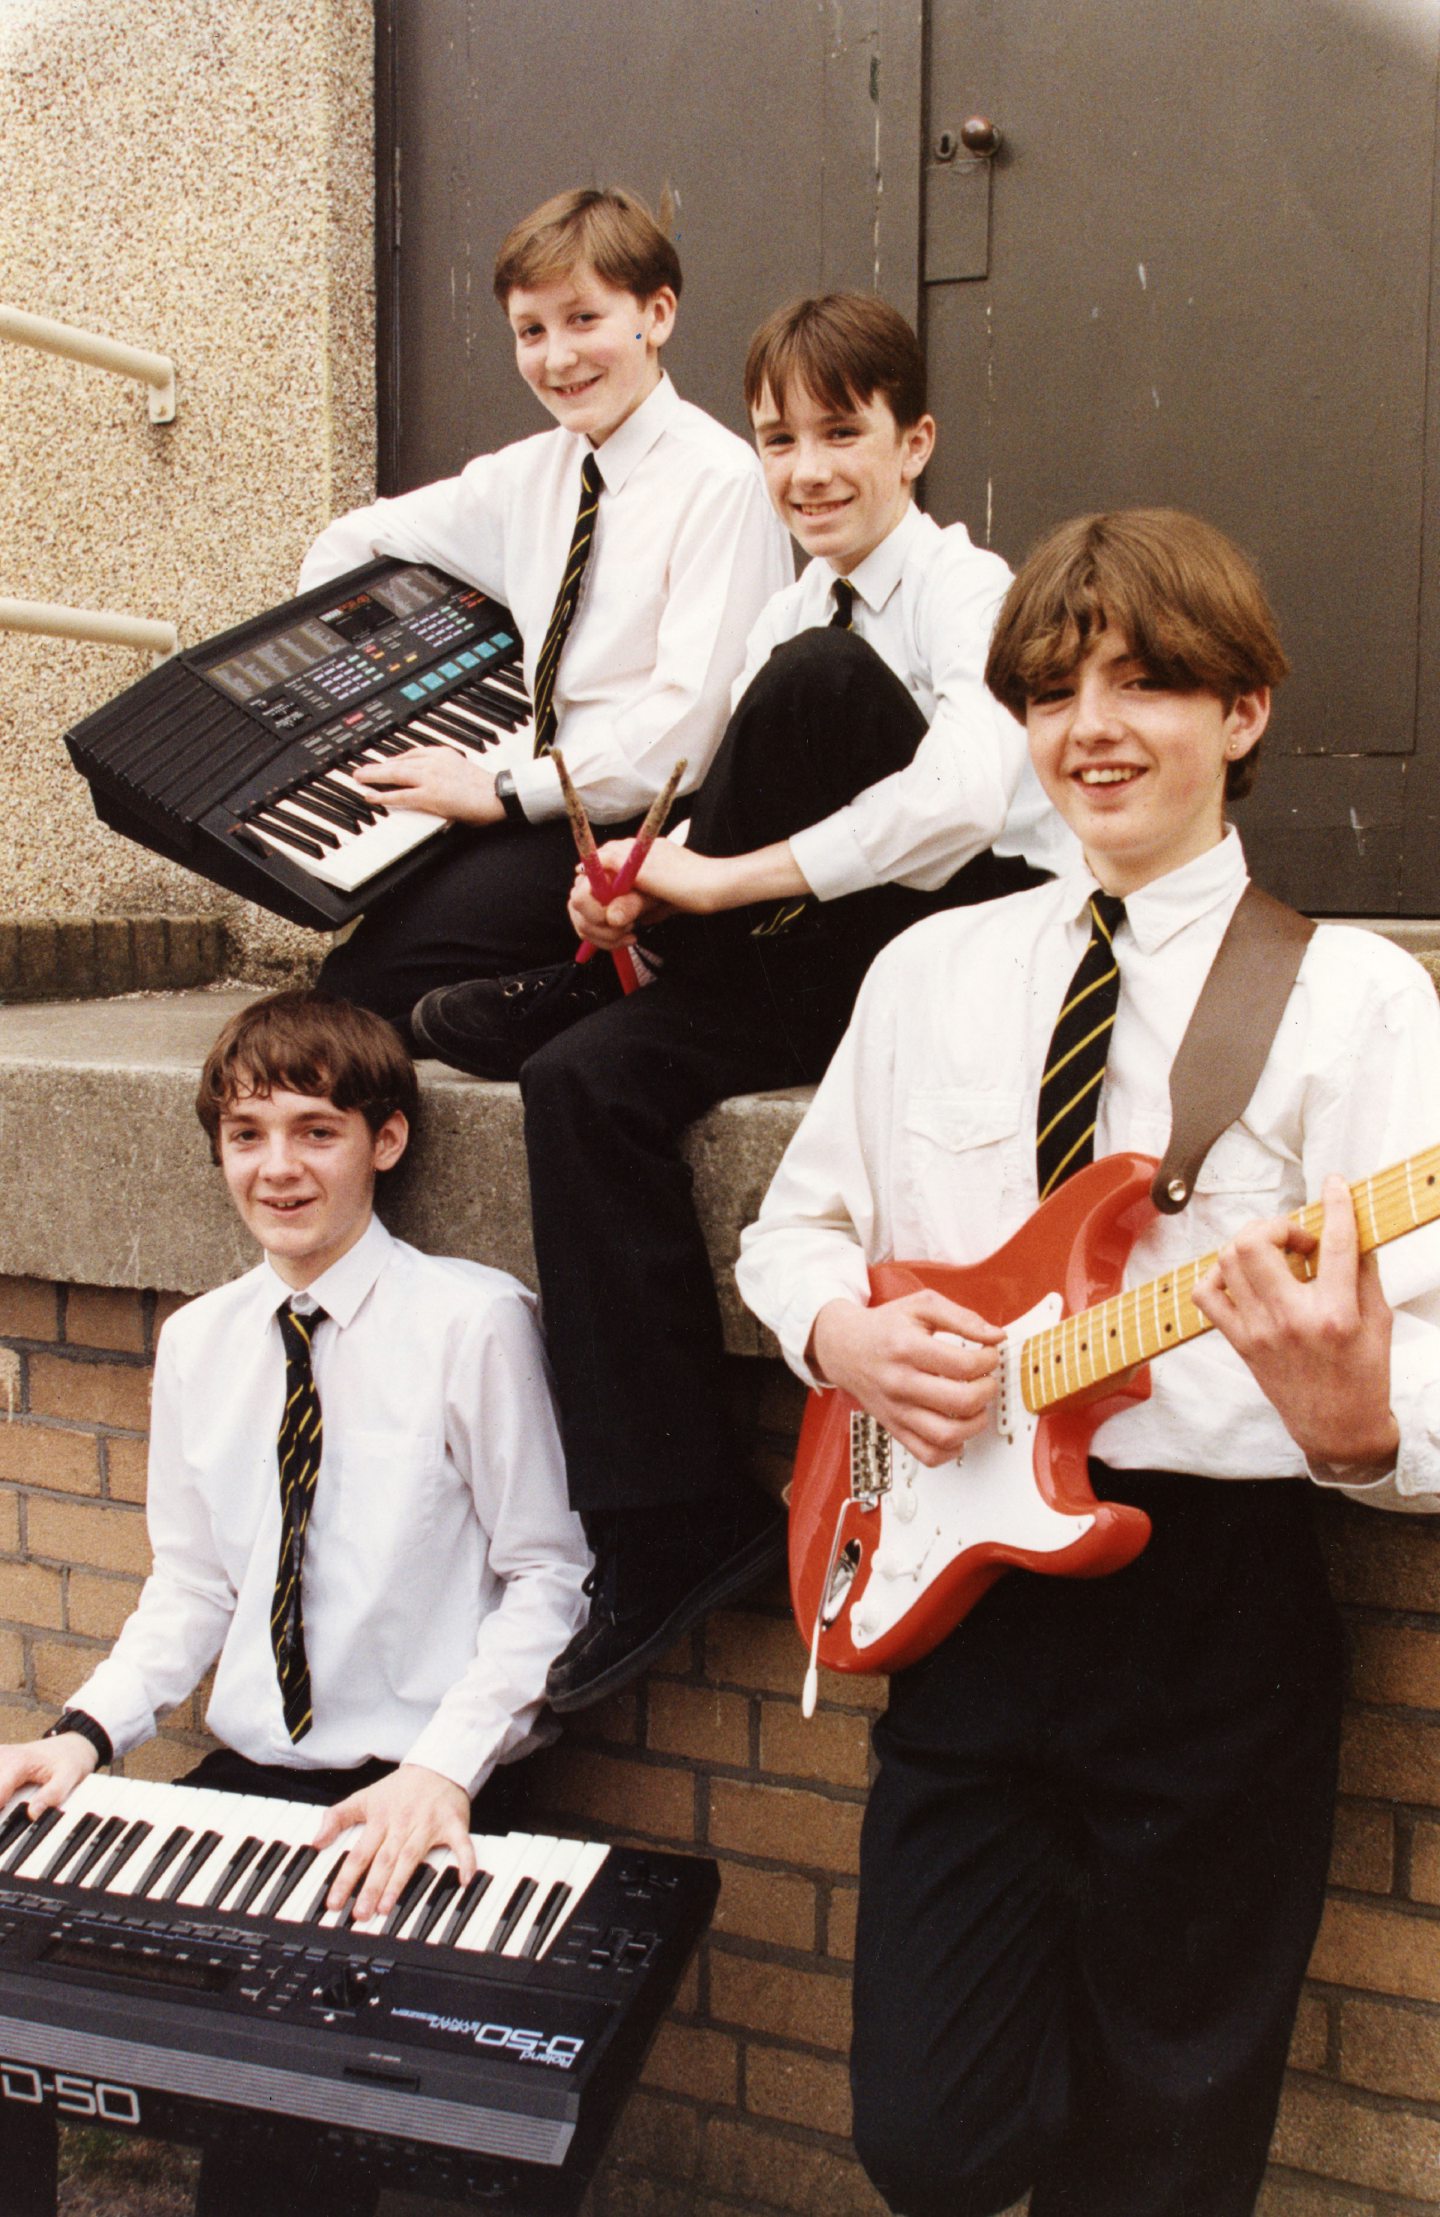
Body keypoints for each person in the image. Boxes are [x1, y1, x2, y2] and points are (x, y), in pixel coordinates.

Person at [736, 507, 1440, 2217]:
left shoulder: (1355, 1003)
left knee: (1168, 2152)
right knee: (929, 2133)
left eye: (1147, 682)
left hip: (1212, 1613)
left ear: (1246, 713)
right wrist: (847, 1332)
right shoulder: (930, 970)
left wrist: (1364, 1430)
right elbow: (791, 1231)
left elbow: (1424, 1353)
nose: (1093, 726)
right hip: (963, 1592)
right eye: (1053, 691)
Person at [417, 294, 1057, 1715]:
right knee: (582, 1082)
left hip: (955, 957)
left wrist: (711, 887)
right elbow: (700, 804)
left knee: (822, 683)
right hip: (815, 964)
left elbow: (954, 810)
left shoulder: (972, 592)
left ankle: (604, 980)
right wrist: (635, 891)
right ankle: (669, 1522)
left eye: (843, 433)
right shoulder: (788, 602)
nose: (806, 469)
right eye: (778, 439)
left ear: (916, 442)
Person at [0, 990, 589, 2217]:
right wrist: (83, 1732)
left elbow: (551, 1578)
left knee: (277, 2156)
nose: (278, 1168)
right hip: (253, 1780)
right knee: (24, 2024)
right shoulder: (205, 1337)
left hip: (417, 1786)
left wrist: (445, 1769)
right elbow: (195, 1581)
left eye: (317, 1130)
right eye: (249, 1132)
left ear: (387, 1140)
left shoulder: (473, 1322)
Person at [296, 185, 791, 1038]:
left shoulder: (721, 480)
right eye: (531, 331)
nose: (557, 358)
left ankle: (591, 986)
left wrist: (495, 787)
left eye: (584, 319)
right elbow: (353, 542)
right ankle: (553, 983)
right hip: (538, 806)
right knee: (351, 957)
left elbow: (689, 730)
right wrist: (371, 702)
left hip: (648, 828)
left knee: (354, 1001)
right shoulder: (528, 474)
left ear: (657, 315)